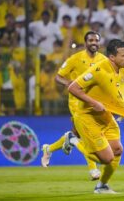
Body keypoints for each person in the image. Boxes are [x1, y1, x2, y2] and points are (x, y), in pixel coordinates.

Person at [68, 39, 124, 194]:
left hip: (105, 116)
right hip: (87, 117)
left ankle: (102, 186)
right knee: (106, 158)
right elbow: (73, 88)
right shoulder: (98, 71)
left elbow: (119, 98)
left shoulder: (123, 70)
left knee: (117, 150)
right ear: (112, 57)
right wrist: (93, 102)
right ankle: (72, 140)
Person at [41, 31, 106, 181]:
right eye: (91, 40)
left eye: (96, 40)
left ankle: (49, 149)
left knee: (76, 134)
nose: (94, 43)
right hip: (76, 102)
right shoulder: (75, 59)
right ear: (85, 43)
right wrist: (69, 83)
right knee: (87, 134)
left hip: (92, 102)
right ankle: (93, 169)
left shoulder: (103, 60)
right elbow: (58, 77)